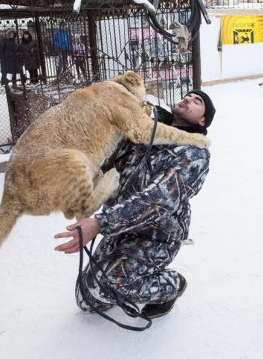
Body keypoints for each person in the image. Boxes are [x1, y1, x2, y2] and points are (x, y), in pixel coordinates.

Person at [54, 90, 216, 319]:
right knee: (86, 299)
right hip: (122, 228)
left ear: (202, 120)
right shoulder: (147, 129)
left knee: (105, 286)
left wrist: (100, 224)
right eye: (187, 96)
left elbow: (158, 200)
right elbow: (108, 159)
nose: (188, 99)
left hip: (156, 237)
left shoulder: (193, 154)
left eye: (197, 101)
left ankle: (171, 285)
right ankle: (125, 279)